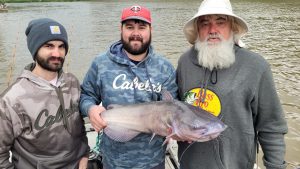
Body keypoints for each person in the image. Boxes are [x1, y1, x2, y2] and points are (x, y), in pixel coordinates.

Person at [176, 0, 288, 169]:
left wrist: (276, 166)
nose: (212, 30)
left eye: (220, 22)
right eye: (205, 23)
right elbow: (175, 112)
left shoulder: (256, 66)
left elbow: (271, 127)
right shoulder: (184, 62)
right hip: (189, 165)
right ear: (198, 30)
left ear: (233, 27)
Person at [80, 5, 177, 169]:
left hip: (153, 161)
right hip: (113, 161)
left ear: (150, 30)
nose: (136, 33)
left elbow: (174, 107)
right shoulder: (101, 64)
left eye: (142, 27)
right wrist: (90, 109)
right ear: (121, 29)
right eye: (130, 27)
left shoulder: (165, 67)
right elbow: (85, 95)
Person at [0, 18, 89, 169]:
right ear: (35, 49)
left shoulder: (72, 82)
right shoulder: (11, 99)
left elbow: (80, 129)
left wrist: (85, 156)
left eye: (61, 46)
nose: (57, 53)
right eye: (49, 46)